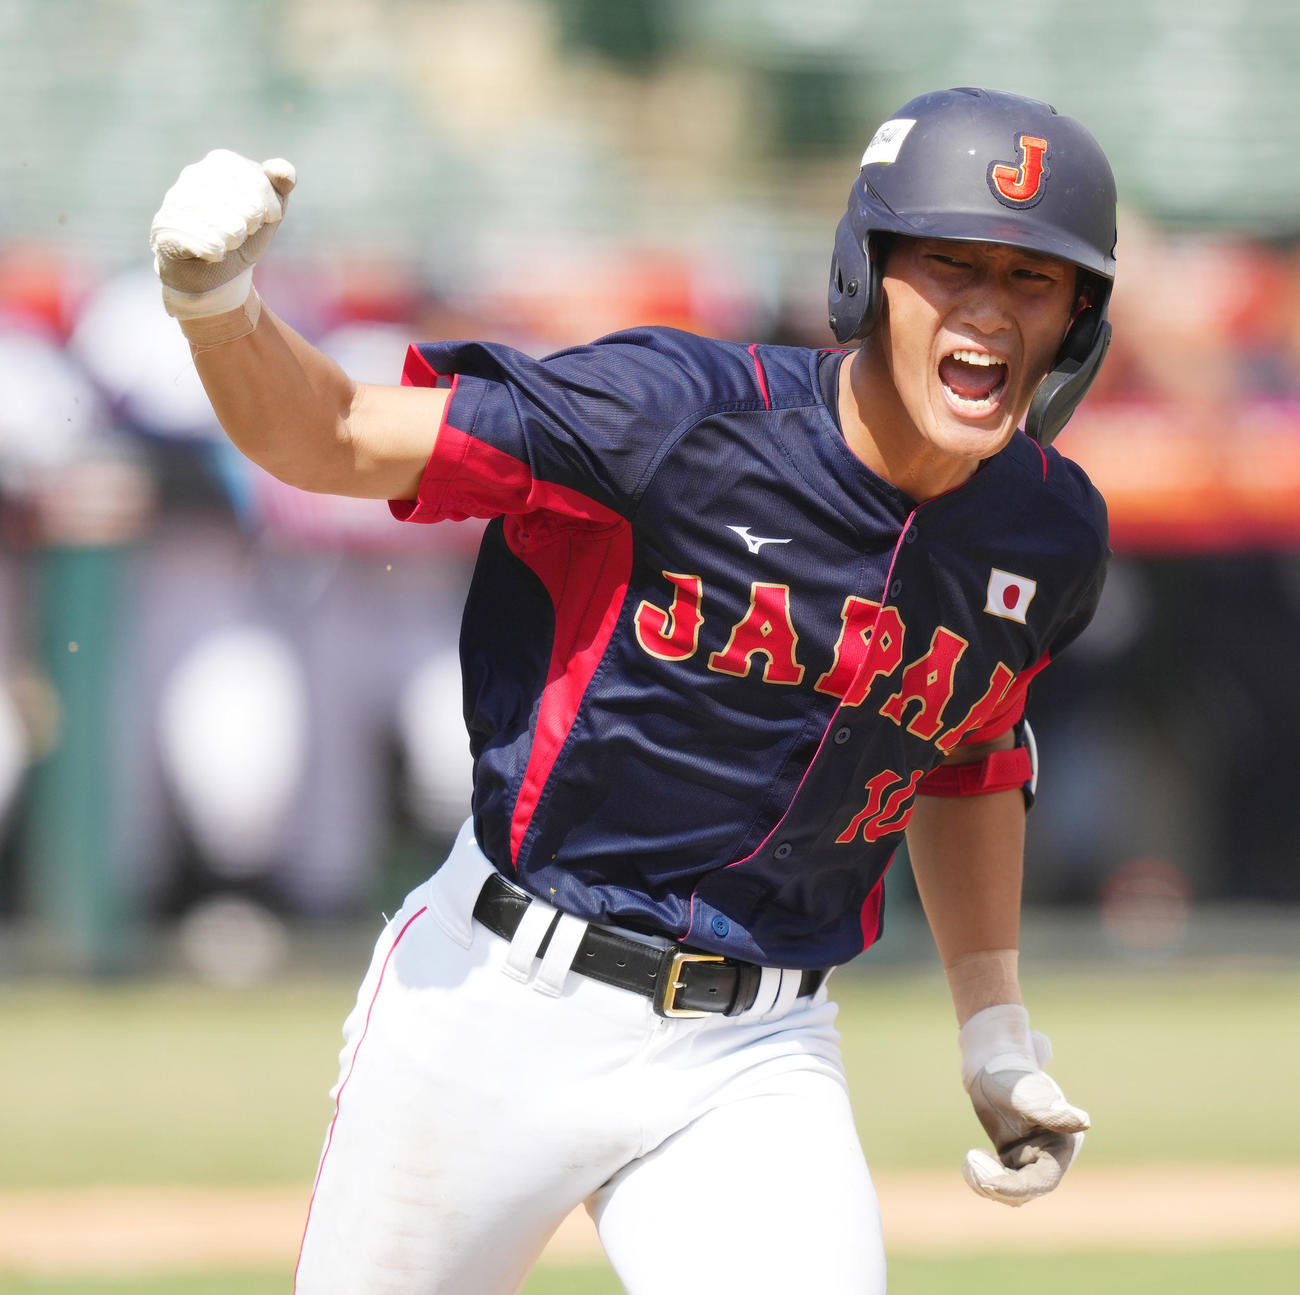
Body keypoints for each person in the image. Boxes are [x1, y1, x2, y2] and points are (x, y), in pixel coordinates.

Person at [150, 85, 1116, 1295]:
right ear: (867, 277)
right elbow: (337, 432)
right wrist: (217, 309)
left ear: (1079, 318)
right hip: (500, 1000)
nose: (986, 308)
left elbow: (968, 755)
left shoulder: (1044, 530)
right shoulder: (676, 418)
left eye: (1032, 279)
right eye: (948, 263)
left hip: (755, 1048)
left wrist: (993, 1021)